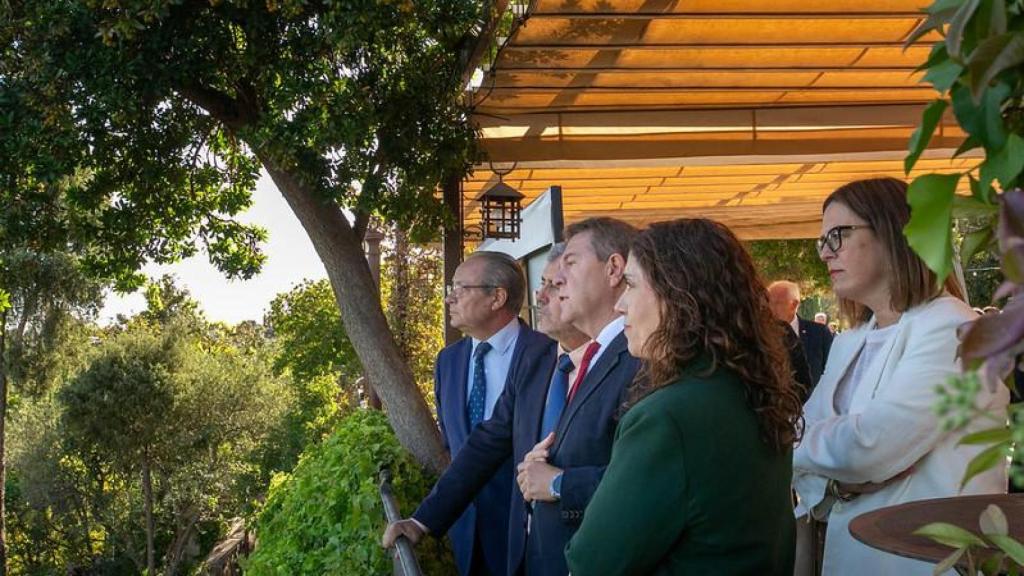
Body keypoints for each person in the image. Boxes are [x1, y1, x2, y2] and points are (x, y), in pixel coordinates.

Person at [793, 177, 1010, 575]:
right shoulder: (852, 341)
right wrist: (837, 482)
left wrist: (808, 447)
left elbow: (869, 448)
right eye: (821, 240)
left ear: (896, 232)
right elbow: (813, 441)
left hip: (926, 563)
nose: (825, 253)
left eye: (837, 236)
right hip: (857, 556)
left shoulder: (952, 329)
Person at [564, 218, 801, 575]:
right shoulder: (748, 387)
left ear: (678, 295)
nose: (620, 305)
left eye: (630, 284)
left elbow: (593, 562)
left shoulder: (667, 417)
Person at [381, 245, 583, 575]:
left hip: (529, 529)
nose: (450, 298)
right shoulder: (448, 361)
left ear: (496, 297)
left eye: (460, 288)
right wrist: (423, 519)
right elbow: (465, 445)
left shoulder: (549, 355)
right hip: (465, 529)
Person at [516, 217, 641, 576]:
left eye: (569, 264)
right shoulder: (595, 354)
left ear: (614, 268)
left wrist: (556, 482)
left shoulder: (639, 355)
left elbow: (641, 480)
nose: (556, 282)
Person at [768, 280, 834, 389]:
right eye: (767, 302)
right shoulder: (759, 334)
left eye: (776, 303)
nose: (769, 308)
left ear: (794, 304)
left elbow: (832, 371)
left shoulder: (819, 333)